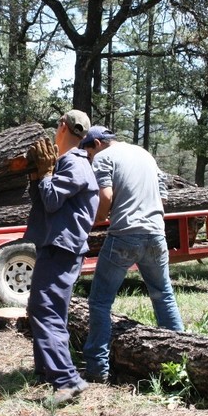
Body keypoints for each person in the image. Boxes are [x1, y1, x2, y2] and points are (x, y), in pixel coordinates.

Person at [80, 126, 184, 383]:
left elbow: (105, 195)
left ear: (96, 143)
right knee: (163, 295)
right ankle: (181, 360)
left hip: (125, 234)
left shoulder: (104, 158)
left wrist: (97, 219)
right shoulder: (143, 153)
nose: (89, 158)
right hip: (156, 234)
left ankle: (96, 368)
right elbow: (162, 193)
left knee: (100, 302)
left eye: (88, 152)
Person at [23, 110, 99, 406]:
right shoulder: (69, 163)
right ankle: (47, 370)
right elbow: (43, 200)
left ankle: (67, 381)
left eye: (58, 125)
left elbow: (52, 200)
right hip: (58, 246)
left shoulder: (73, 163)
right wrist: (36, 176)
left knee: (45, 310)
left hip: (61, 248)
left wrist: (45, 174)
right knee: (47, 308)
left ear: (63, 127)